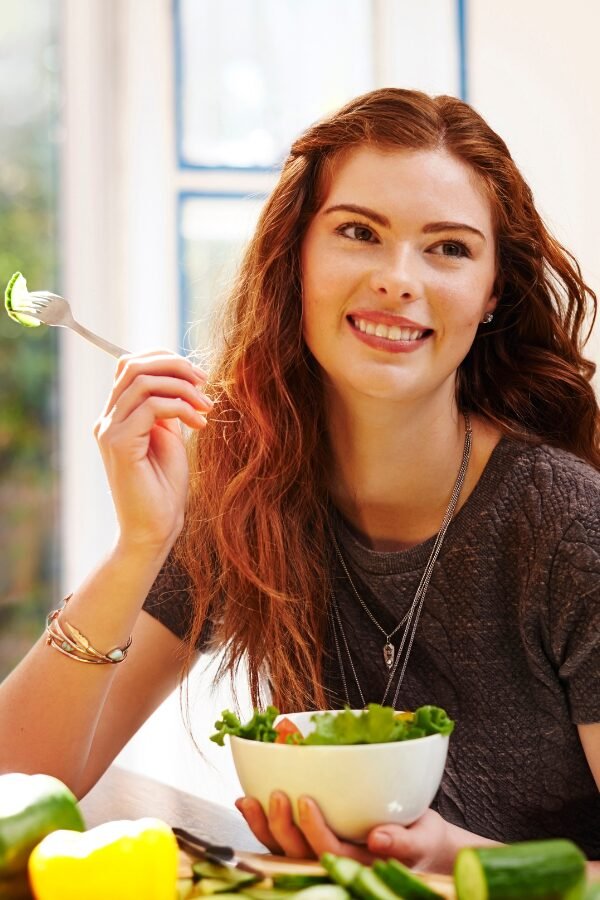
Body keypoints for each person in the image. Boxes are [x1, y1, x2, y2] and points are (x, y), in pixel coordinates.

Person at [0, 88, 598, 875]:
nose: (397, 278)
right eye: (359, 232)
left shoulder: (565, 527)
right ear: (297, 258)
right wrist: (142, 544)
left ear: (492, 294)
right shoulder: (245, 490)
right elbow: (19, 785)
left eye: (448, 248)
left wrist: (460, 857)